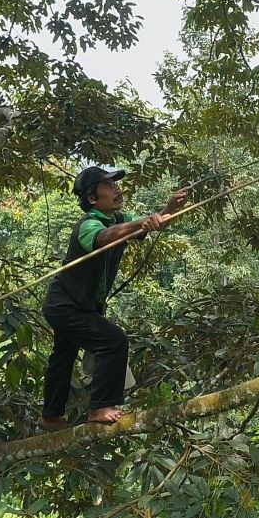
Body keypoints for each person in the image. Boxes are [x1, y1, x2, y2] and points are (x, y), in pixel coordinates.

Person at [37, 166, 189, 430]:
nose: (116, 189)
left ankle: (51, 416)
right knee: (113, 341)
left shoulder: (119, 219)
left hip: (82, 306)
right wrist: (140, 223)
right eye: (108, 186)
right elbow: (102, 238)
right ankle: (101, 407)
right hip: (65, 305)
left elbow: (151, 223)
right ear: (92, 199)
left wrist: (169, 207)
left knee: (63, 356)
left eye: (115, 184)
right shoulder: (88, 225)